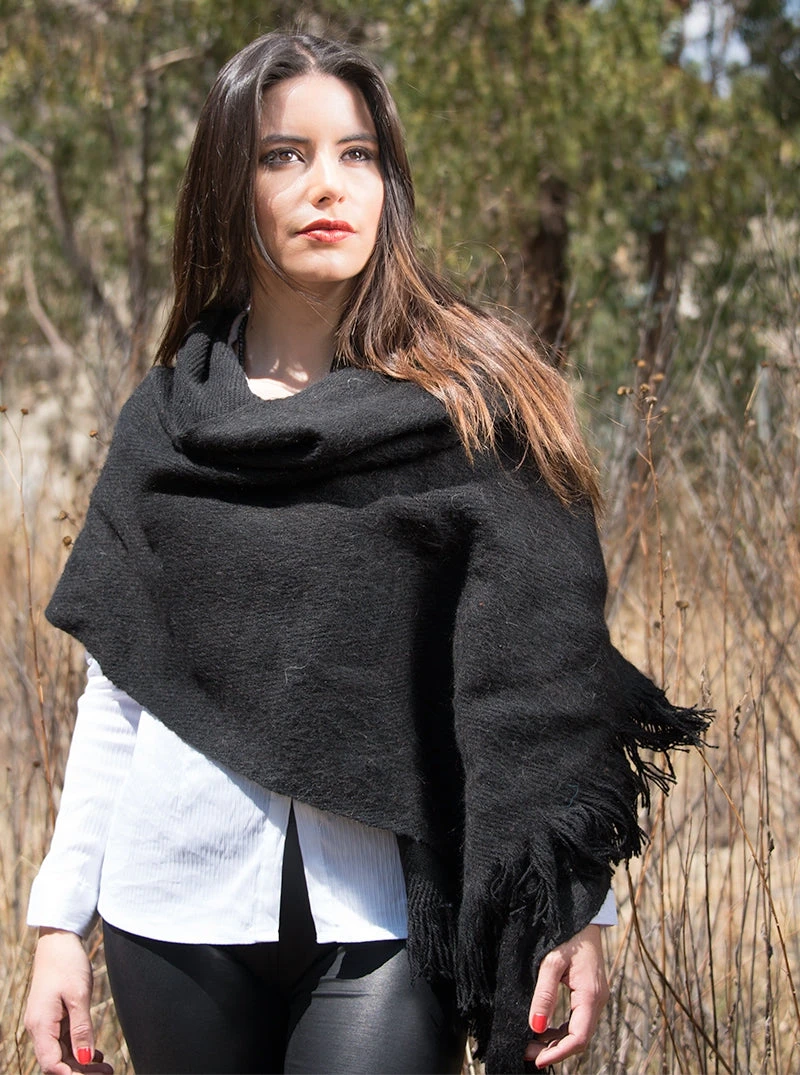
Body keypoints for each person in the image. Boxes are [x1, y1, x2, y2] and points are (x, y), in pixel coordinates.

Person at [23, 31, 708, 1075]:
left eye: (357, 154)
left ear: (390, 182)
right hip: (170, 908)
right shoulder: (164, 422)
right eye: (282, 155)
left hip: (383, 913)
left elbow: (542, 679)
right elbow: (119, 689)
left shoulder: (470, 409)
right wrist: (57, 922)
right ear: (228, 185)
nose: (327, 185)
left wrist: (574, 905)